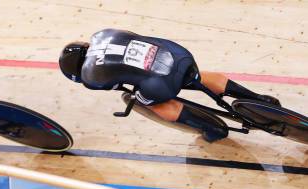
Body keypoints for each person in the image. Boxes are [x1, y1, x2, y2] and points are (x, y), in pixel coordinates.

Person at [59, 29, 280, 142]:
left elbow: (119, 84)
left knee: (152, 103)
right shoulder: (102, 34)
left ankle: (210, 127)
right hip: (178, 54)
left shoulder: (90, 77)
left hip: (160, 82)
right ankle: (258, 99)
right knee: (197, 76)